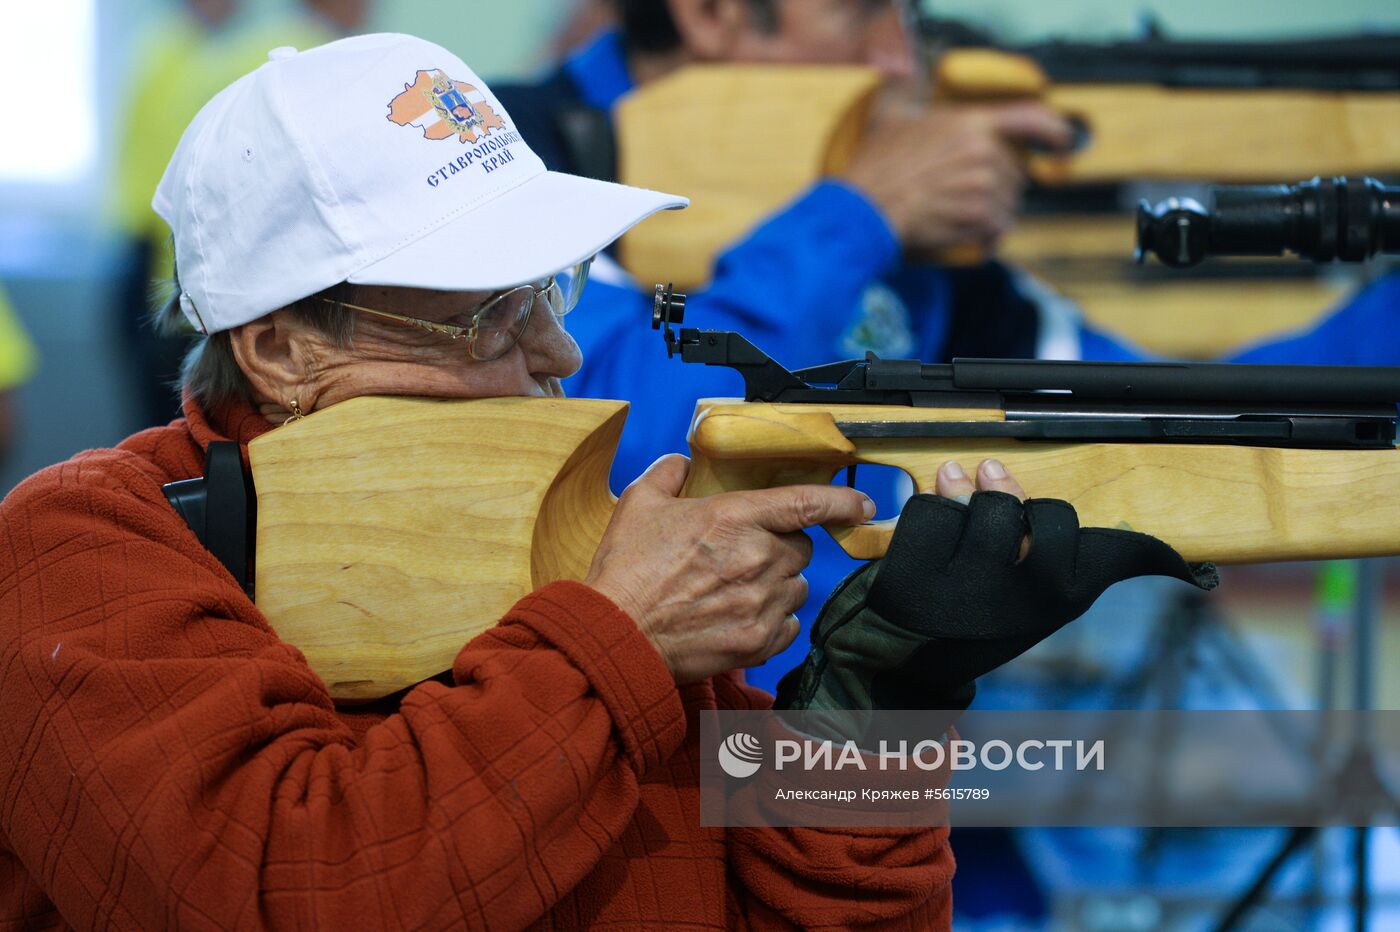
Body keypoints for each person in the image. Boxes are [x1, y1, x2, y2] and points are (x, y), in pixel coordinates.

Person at [0, 33, 1041, 929]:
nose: (559, 350)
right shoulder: (89, 546)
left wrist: (880, 714)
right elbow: (279, 891)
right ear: (280, 351)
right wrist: (615, 639)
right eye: (486, 312)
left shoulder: (568, 533)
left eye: (552, 288)